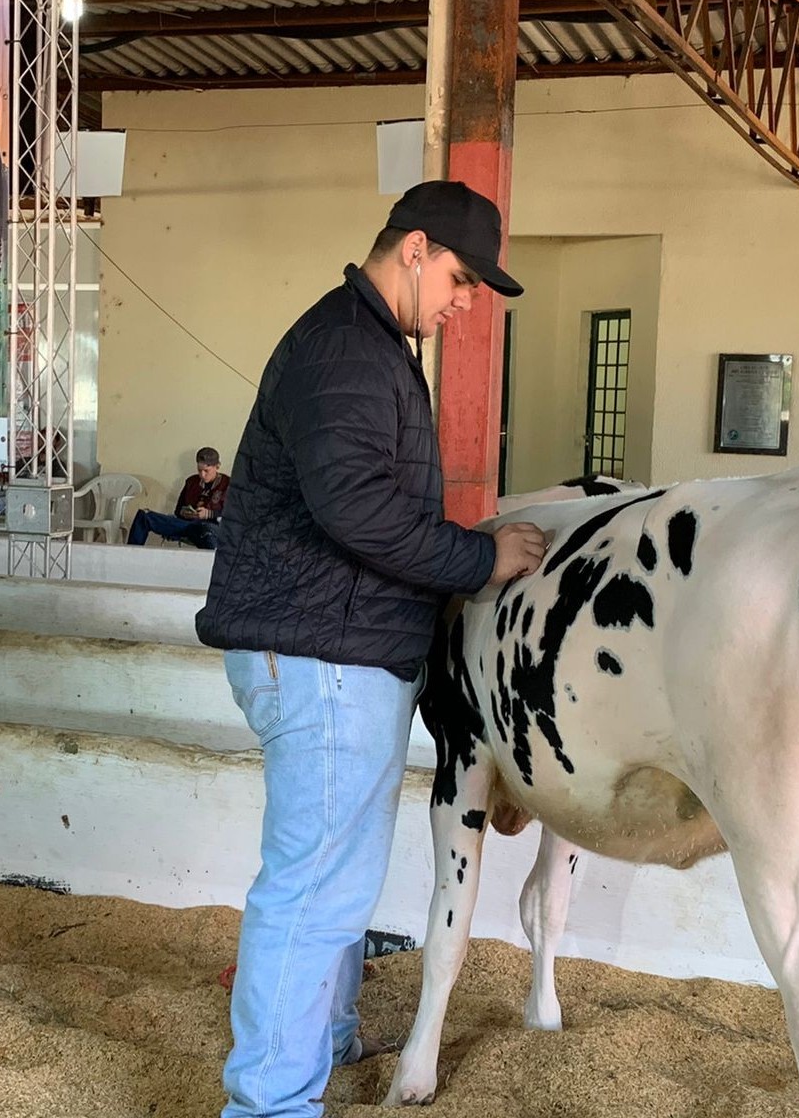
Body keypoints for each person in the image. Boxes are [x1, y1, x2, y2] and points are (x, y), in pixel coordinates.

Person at [196, 180, 549, 1118]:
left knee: (338, 876)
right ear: (416, 247)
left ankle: (331, 1031)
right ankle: (268, 1104)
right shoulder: (351, 351)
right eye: (464, 280)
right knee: (315, 889)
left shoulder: (368, 345)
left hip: (332, 645)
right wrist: (480, 558)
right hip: (320, 653)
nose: (465, 303)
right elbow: (358, 512)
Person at [127, 446, 230, 549]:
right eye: (199, 470)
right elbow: (178, 510)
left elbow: (236, 515)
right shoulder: (191, 482)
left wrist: (209, 514)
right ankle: (130, 556)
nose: (202, 475)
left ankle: (212, 564)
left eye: (206, 471)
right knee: (144, 516)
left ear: (217, 466)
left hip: (210, 527)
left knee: (207, 531)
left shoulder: (228, 484)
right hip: (187, 525)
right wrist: (185, 513)